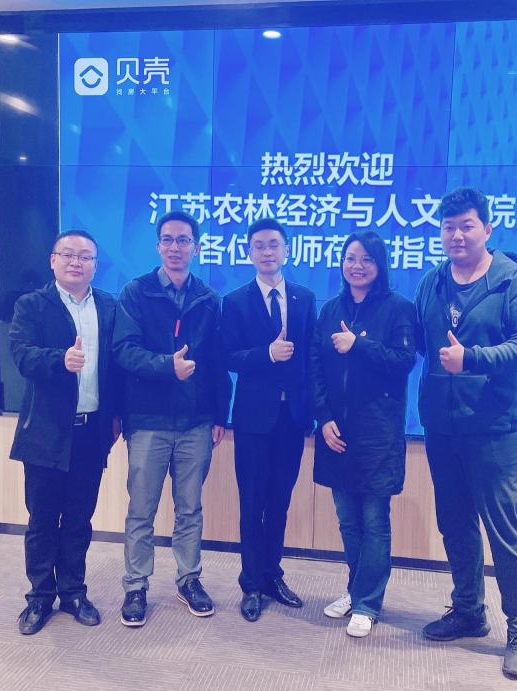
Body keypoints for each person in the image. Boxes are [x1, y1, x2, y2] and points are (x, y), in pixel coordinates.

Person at [415, 186, 517, 678]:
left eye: (466, 226)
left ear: (487, 229)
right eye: (448, 227)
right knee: (454, 522)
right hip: (442, 427)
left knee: (504, 529)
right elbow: (421, 344)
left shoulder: (514, 282)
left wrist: (471, 359)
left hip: (495, 428)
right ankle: (469, 610)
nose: (457, 235)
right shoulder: (432, 283)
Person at [113, 210, 231, 627]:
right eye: (168, 239)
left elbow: (217, 364)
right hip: (148, 421)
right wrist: (168, 366)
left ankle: (189, 579)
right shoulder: (136, 292)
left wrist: (219, 414)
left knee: (190, 509)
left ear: (196, 247)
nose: (175, 247)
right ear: (158, 245)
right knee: (141, 510)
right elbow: (124, 351)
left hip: (196, 423)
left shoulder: (209, 299)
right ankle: (135, 586)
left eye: (183, 240)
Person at [8, 229, 122, 635]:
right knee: (42, 519)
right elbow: (21, 355)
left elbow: (117, 367)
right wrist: (61, 360)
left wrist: (118, 416)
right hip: (46, 431)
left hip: (91, 432)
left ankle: (74, 592)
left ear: (95, 265)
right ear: (52, 260)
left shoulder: (108, 306)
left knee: (78, 518)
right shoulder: (31, 305)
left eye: (85, 256)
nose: (77, 262)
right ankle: (40, 597)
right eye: (68, 254)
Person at [311, 230, 416, 638]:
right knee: (347, 520)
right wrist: (323, 417)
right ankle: (356, 591)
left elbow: (403, 361)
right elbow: (315, 367)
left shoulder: (398, 308)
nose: (357, 266)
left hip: (378, 434)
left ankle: (369, 602)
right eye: (350, 258)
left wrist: (357, 345)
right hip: (336, 431)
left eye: (366, 259)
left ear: (380, 265)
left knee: (374, 520)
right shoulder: (330, 309)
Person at [220, 218, 316, 621]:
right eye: (259, 246)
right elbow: (228, 357)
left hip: (291, 419)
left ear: (287, 250)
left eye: (273, 244)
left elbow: (311, 358)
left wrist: (312, 411)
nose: (267, 252)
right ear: (249, 253)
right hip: (253, 421)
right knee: (252, 502)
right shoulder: (234, 301)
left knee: (280, 502)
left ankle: (273, 575)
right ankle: (251, 584)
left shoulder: (304, 298)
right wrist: (267, 355)